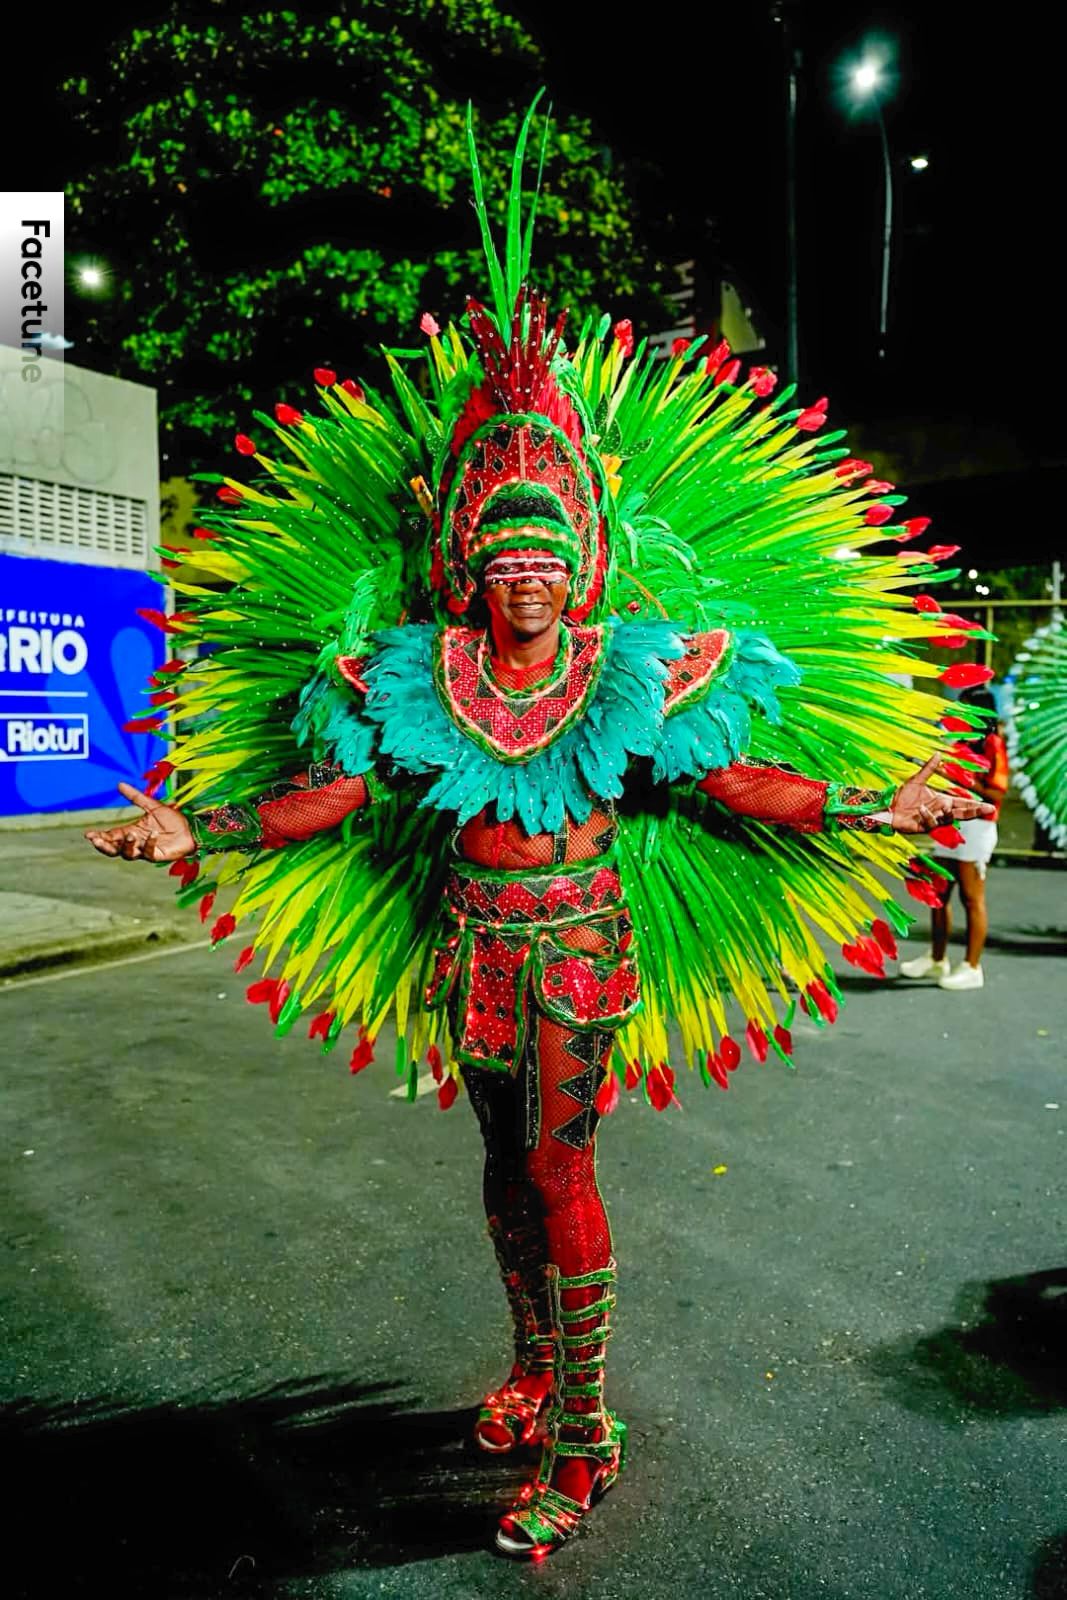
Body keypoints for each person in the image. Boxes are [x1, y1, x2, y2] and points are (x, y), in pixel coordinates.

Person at [85, 108, 992, 1559]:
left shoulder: (631, 669)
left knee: (558, 1173)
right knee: (501, 1171)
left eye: (545, 556)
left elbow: (720, 783)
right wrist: (199, 831)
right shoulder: (408, 674)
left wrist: (877, 803)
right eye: (500, 557)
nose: (522, 578)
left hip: (573, 949)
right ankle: (530, 1373)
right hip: (469, 950)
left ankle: (583, 1434)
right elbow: (338, 795)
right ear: (465, 561)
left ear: (579, 559)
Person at [900, 686, 1009, 990]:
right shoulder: (959, 741)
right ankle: (937, 961)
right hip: (951, 824)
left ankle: (972, 967)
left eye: (965, 709)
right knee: (939, 894)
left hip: (978, 826)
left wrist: (965, 779)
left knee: (971, 897)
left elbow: (998, 791)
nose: (958, 714)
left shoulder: (993, 745)